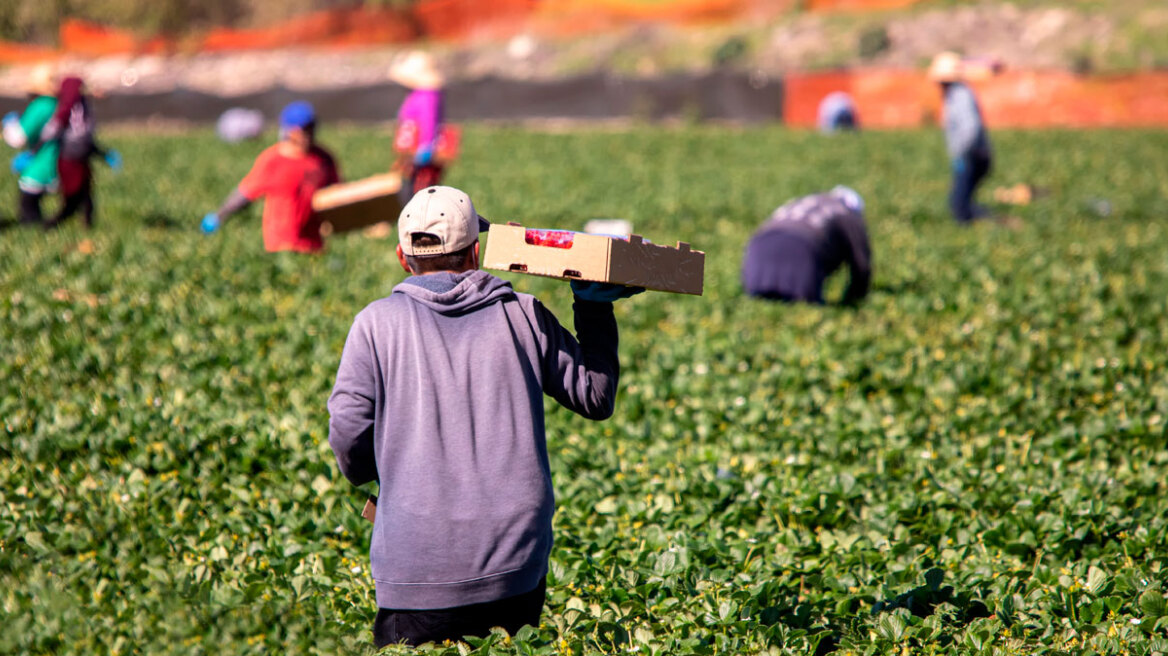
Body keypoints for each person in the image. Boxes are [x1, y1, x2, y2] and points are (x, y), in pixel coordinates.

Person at [327, 186, 640, 648]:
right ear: (476, 252)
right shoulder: (524, 315)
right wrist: (593, 307)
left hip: (416, 570)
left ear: (402, 258)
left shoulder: (375, 324)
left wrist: (387, 480)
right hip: (514, 568)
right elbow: (595, 396)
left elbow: (348, 431)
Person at [201, 101, 340, 253]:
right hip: (281, 246)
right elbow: (245, 195)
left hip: (315, 245)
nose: (308, 134)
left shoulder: (324, 159)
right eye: (303, 129)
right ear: (289, 131)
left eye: (311, 128)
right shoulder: (273, 160)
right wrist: (219, 217)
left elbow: (337, 193)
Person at [741, 186, 871, 305]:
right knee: (802, 307)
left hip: (758, 248)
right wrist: (853, 302)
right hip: (802, 250)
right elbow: (861, 264)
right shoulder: (847, 213)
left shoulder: (801, 201)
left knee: (758, 303)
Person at [41, 75, 121, 230]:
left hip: (81, 159)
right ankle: (50, 225)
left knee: (86, 196)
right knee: (73, 198)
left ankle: (87, 227)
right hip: (69, 160)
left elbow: (86, 138)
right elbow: (52, 133)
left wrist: (104, 154)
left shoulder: (82, 107)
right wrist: (34, 152)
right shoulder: (65, 111)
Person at [929, 52, 993, 224]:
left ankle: (988, 222)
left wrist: (963, 153)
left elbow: (971, 127)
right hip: (969, 155)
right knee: (961, 202)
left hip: (972, 156)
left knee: (959, 205)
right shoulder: (954, 94)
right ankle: (983, 222)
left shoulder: (960, 95)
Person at [2, 64, 59, 227]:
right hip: (60, 165)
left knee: (28, 210)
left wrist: (9, 125)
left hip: (39, 168)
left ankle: (36, 227)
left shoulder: (40, 106)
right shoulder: (59, 105)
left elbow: (18, 138)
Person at [389, 51, 446, 204]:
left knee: (418, 194)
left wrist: (426, 148)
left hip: (421, 155)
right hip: (412, 153)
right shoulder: (418, 94)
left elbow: (429, 121)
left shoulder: (427, 96)